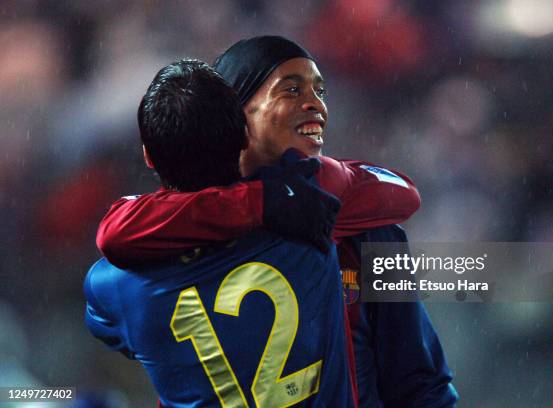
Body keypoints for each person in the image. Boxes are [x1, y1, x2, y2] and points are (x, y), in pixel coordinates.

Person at [96, 36, 458, 406]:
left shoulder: (362, 227)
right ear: (235, 116)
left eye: (320, 90)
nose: (316, 105)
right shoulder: (161, 238)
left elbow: (421, 381)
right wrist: (265, 201)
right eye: (291, 89)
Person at [85, 60, 357, 407]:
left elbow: (113, 247)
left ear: (148, 157)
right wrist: (263, 199)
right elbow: (401, 195)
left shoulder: (113, 286)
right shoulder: (312, 210)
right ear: (245, 136)